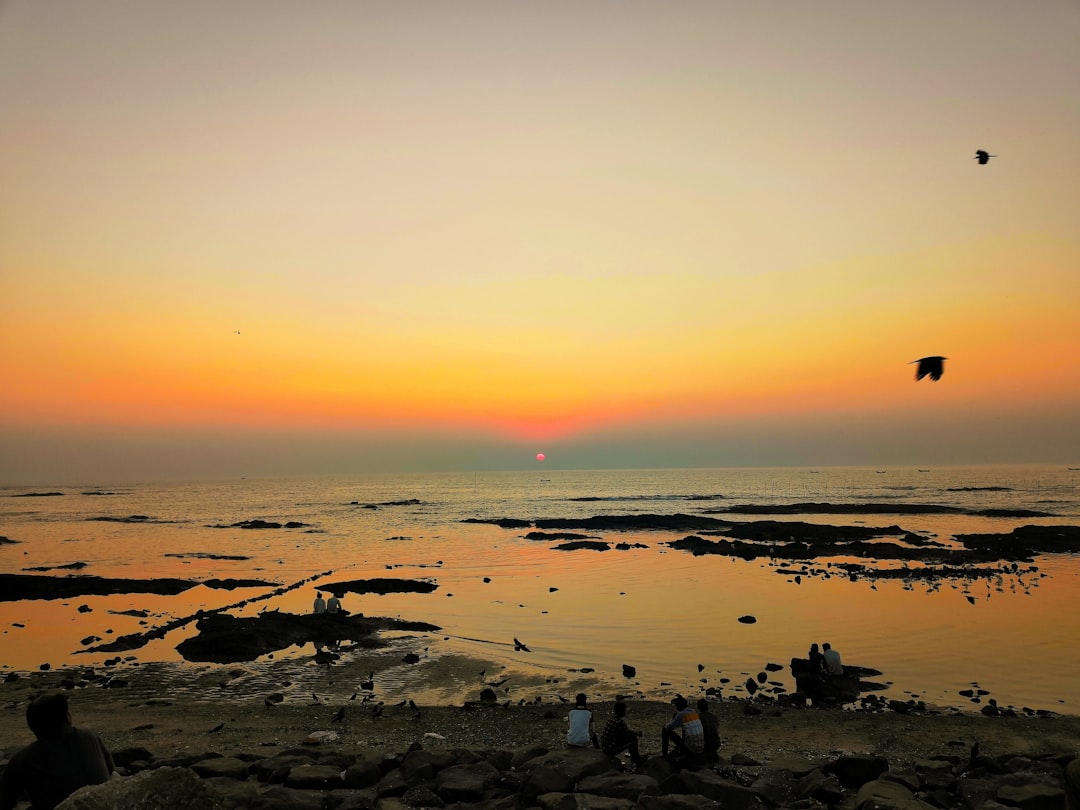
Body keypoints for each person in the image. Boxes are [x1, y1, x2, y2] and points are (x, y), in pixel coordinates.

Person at [0, 692, 115, 810]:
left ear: (33, 726)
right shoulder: (90, 736)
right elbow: (110, 769)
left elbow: (5, 800)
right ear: (67, 717)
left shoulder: (24, 759)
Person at [599, 701, 646, 768]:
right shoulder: (619, 722)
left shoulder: (611, 719)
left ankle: (635, 759)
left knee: (631, 737)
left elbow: (624, 732)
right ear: (621, 711)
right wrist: (637, 733)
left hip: (604, 746)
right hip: (610, 749)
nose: (625, 712)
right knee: (633, 740)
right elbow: (627, 734)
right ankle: (637, 760)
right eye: (624, 710)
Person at [661, 695, 704, 765]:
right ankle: (681, 749)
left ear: (678, 706)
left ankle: (664, 754)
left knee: (665, 731)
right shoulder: (693, 711)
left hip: (690, 749)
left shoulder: (681, 714)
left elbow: (668, 728)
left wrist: (674, 718)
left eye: (676, 706)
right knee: (686, 728)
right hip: (700, 747)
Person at [697, 698, 721, 763]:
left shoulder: (699, 717)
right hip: (716, 743)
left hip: (706, 745)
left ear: (698, 707)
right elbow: (716, 727)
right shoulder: (714, 716)